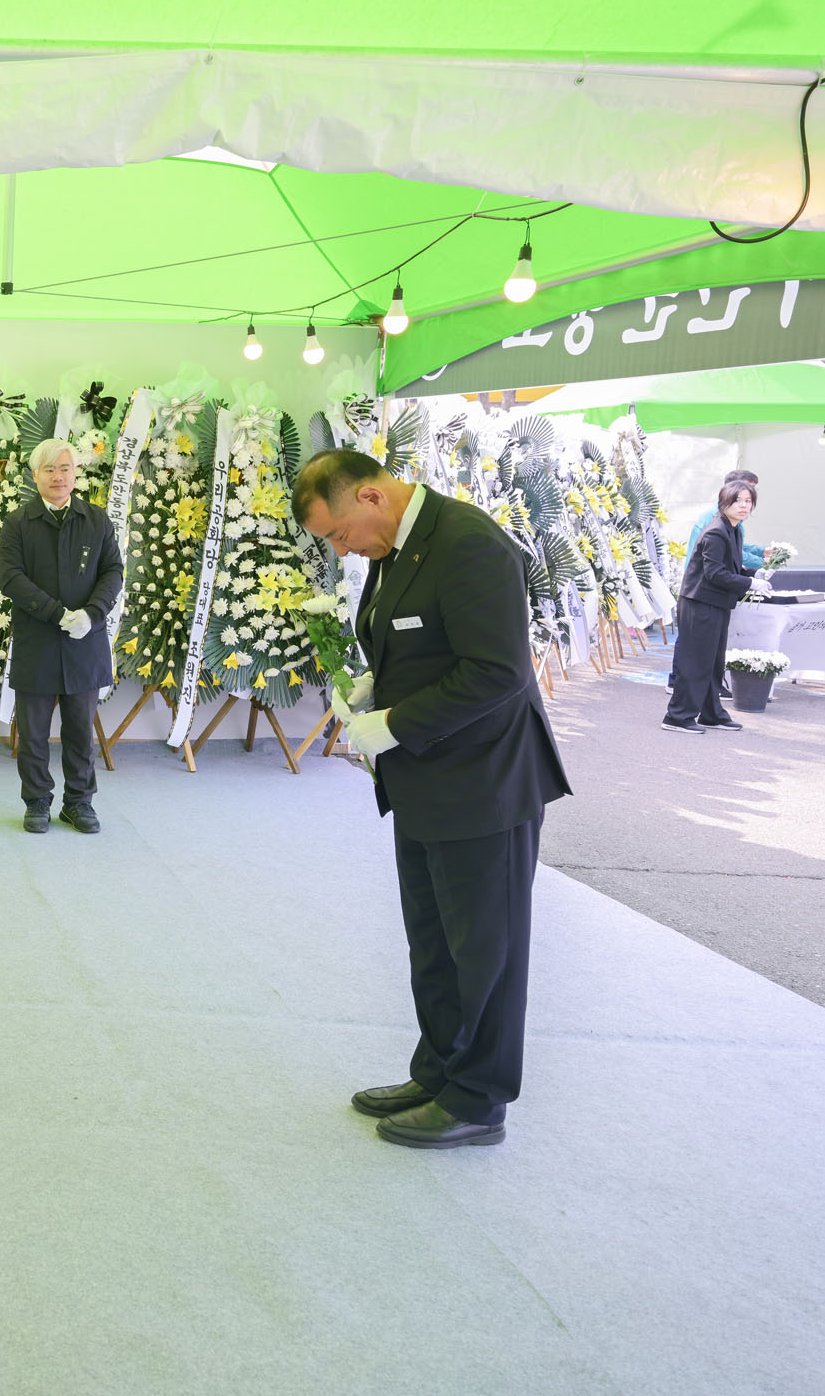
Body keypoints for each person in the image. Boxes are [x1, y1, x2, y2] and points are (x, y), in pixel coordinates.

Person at [293, 449, 571, 1150]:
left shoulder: (469, 543)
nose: (341, 549)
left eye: (338, 533)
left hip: (485, 782)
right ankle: (440, 1073)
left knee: (486, 948)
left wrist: (394, 722)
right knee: (436, 942)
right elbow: (422, 641)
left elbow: (498, 671)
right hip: (426, 779)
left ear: (370, 496)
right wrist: (375, 687)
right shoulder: (395, 545)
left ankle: (478, 1098)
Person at [0, 437, 123, 834]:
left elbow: (113, 571)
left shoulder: (97, 520)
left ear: (75, 474)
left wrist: (91, 614)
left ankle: (79, 803)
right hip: (36, 642)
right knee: (33, 733)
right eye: (49, 469)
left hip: (85, 642)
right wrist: (56, 613)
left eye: (65, 468)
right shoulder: (18, 523)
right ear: (35, 476)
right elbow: (11, 578)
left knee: (80, 731)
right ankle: (37, 801)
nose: (58, 476)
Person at [665, 480, 771, 734]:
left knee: (714, 662)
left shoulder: (733, 529)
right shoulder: (716, 531)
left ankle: (711, 714)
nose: (744, 506)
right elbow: (715, 573)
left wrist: (754, 573)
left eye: (748, 501)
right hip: (699, 603)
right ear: (724, 502)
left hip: (715, 602)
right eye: (738, 501)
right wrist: (750, 583)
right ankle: (677, 716)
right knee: (695, 662)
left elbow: (730, 566)